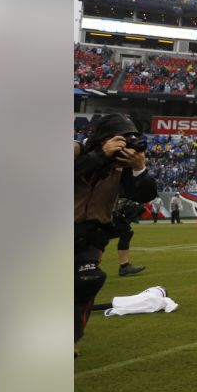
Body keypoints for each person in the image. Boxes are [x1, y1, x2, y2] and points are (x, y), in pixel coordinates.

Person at [74, 113, 158, 355]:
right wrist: (100, 155)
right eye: (122, 139)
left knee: (86, 282)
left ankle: (71, 339)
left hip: (92, 234)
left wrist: (139, 167)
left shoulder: (120, 168)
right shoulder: (77, 151)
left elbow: (145, 194)